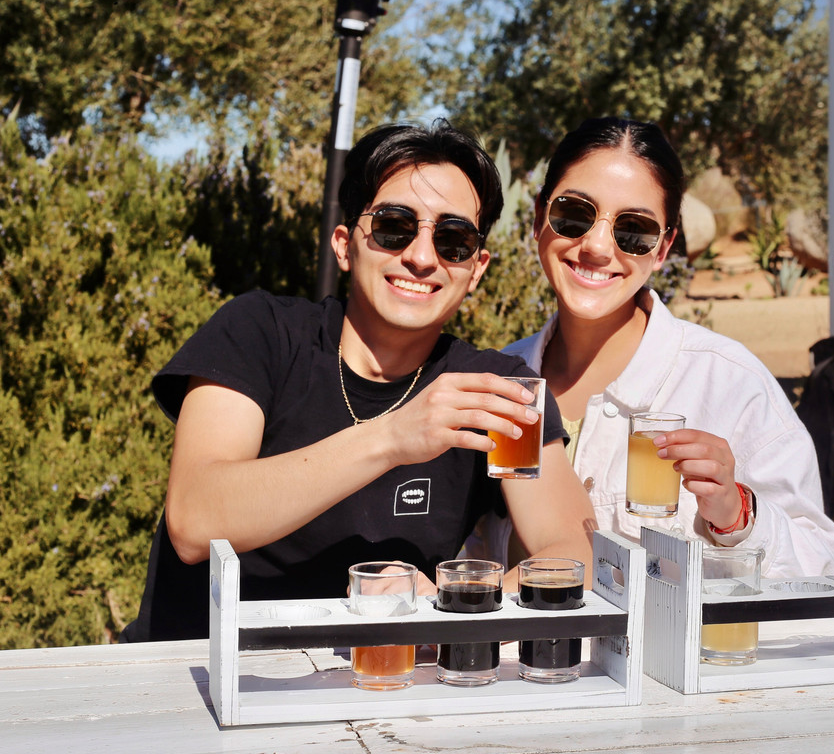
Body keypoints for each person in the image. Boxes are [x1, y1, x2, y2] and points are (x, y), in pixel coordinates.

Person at [121, 121, 596, 642]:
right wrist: (393, 437)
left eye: (453, 239)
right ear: (346, 245)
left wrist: (449, 604)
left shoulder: (497, 391)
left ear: (476, 268)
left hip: (376, 694)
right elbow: (194, 520)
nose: (421, 256)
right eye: (394, 226)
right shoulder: (259, 333)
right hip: (198, 681)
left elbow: (570, 555)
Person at [470, 117, 834, 577]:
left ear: (663, 249)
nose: (598, 246)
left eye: (634, 230)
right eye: (573, 214)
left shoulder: (728, 383)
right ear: (537, 219)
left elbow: (823, 564)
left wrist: (736, 514)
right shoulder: (496, 383)